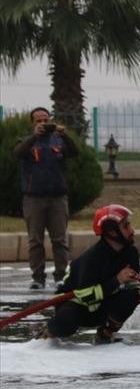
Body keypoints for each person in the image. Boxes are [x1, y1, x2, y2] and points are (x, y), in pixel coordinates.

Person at [38, 205, 140, 345]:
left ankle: (106, 333)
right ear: (112, 231)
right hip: (76, 305)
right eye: (126, 226)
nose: (132, 230)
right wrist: (116, 280)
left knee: (132, 294)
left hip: (102, 305)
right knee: (66, 323)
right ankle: (47, 333)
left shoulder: (131, 253)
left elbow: (132, 284)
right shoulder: (92, 259)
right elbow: (84, 295)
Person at [13, 107, 78, 290]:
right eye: (38, 121)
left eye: (45, 120)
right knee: (35, 241)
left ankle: (60, 276)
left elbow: (74, 152)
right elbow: (18, 153)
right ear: (32, 123)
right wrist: (34, 137)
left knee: (59, 240)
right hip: (34, 199)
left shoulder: (58, 140)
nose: (42, 123)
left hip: (57, 198)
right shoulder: (26, 141)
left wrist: (65, 135)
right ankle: (38, 278)